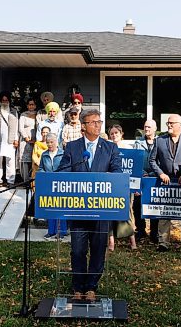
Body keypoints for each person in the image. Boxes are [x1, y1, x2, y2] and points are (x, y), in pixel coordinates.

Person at [58, 109, 122, 302]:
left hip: (101, 209)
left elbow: (117, 172)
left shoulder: (110, 148)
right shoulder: (72, 147)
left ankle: (92, 287)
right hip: (78, 209)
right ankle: (78, 287)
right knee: (77, 250)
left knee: (98, 249)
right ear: (83, 127)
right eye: (94, 122)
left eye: (99, 122)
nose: (98, 125)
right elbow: (62, 171)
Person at [149, 114, 181, 254]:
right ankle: (163, 243)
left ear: (180, 125)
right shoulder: (160, 140)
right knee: (164, 213)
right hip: (166, 182)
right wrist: (160, 173)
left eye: (172, 123)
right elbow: (152, 160)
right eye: (168, 123)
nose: (169, 125)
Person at [108, 124, 137, 251]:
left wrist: (136, 187)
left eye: (116, 133)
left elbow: (135, 170)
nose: (114, 135)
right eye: (112, 134)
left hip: (126, 185)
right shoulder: (107, 148)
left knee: (127, 211)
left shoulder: (129, 148)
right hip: (111, 185)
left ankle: (132, 241)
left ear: (121, 134)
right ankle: (111, 243)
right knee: (109, 212)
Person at [37, 133, 67, 240]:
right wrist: (43, 174)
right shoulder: (44, 155)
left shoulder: (63, 154)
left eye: (51, 142)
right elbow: (41, 168)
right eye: (47, 142)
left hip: (60, 185)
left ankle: (62, 231)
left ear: (56, 142)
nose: (49, 144)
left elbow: (66, 168)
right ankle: (51, 231)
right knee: (50, 208)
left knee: (61, 208)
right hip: (49, 185)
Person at [133, 119, 158, 243]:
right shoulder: (138, 143)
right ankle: (141, 230)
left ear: (155, 128)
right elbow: (136, 161)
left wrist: (154, 174)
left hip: (155, 177)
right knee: (137, 204)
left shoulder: (160, 142)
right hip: (141, 177)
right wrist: (143, 174)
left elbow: (161, 160)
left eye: (149, 127)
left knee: (154, 204)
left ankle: (154, 232)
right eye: (145, 127)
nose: (146, 129)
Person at [0, 92, 19, 188]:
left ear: (9, 101)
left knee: (10, 161)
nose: (4, 102)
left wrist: (16, 139)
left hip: (10, 140)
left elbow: (17, 127)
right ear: (0, 101)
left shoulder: (14, 111)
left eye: (6, 100)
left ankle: (10, 181)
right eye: (3, 100)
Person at [18, 98, 37, 182]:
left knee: (34, 160)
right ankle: (25, 180)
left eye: (33, 104)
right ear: (27, 105)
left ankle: (33, 180)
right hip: (25, 140)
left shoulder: (38, 114)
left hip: (35, 141)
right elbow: (20, 128)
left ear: (35, 105)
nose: (31, 106)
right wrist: (26, 137)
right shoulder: (23, 115)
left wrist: (36, 139)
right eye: (30, 104)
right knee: (25, 161)